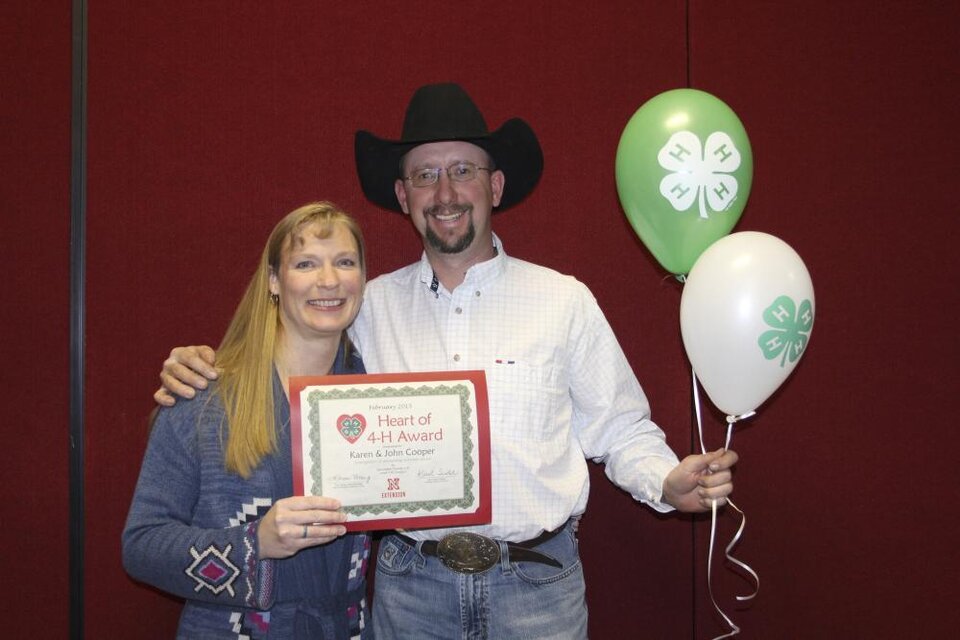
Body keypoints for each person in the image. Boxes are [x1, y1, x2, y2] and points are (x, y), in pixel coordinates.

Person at [154, 84, 739, 639]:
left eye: (463, 171)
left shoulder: (564, 301)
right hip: (413, 590)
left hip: (537, 590)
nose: (446, 193)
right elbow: (287, 348)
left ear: (496, 186)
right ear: (404, 196)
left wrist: (665, 480)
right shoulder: (367, 305)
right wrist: (206, 365)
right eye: (425, 176)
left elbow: (619, 427)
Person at [124, 202, 373, 639]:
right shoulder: (202, 400)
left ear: (363, 279)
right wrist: (254, 545)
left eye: (345, 262)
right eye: (306, 263)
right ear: (274, 281)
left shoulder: (378, 398)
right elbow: (141, 547)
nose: (329, 280)